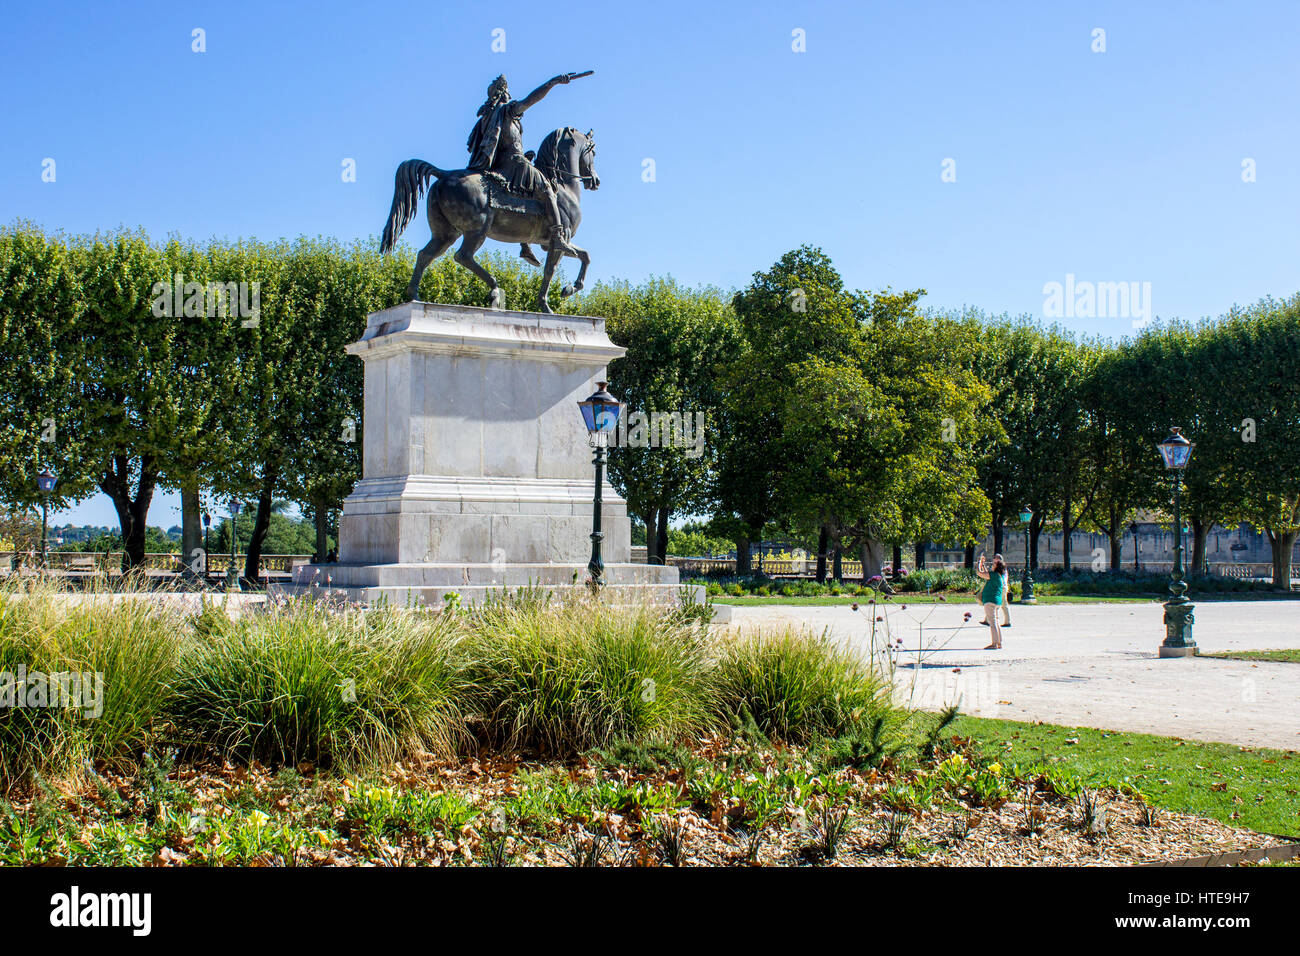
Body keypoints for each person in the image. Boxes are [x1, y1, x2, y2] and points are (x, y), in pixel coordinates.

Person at [975, 553, 1007, 650]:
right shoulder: (998, 576)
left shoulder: (993, 575)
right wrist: (982, 564)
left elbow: (979, 573)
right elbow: (985, 573)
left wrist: (979, 563)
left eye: (994, 565)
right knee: (996, 622)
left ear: (996, 567)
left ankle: (994, 643)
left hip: (990, 601)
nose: (992, 565)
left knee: (992, 623)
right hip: (996, 602)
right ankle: (999, 642)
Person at [979, 553, 1012, 629]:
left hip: (1002, 587)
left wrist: (981, 564)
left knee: (1002, 604)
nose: (994, 559)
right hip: (1002, 587)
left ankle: (1007, 621)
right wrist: (983, 565)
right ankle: (987, 620)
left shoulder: (1000, 568)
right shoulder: (997, 567)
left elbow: (991, 575)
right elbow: (989, 575)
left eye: (997, 558)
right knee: (996, 604)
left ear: (1000, 560)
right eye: (994, 558)